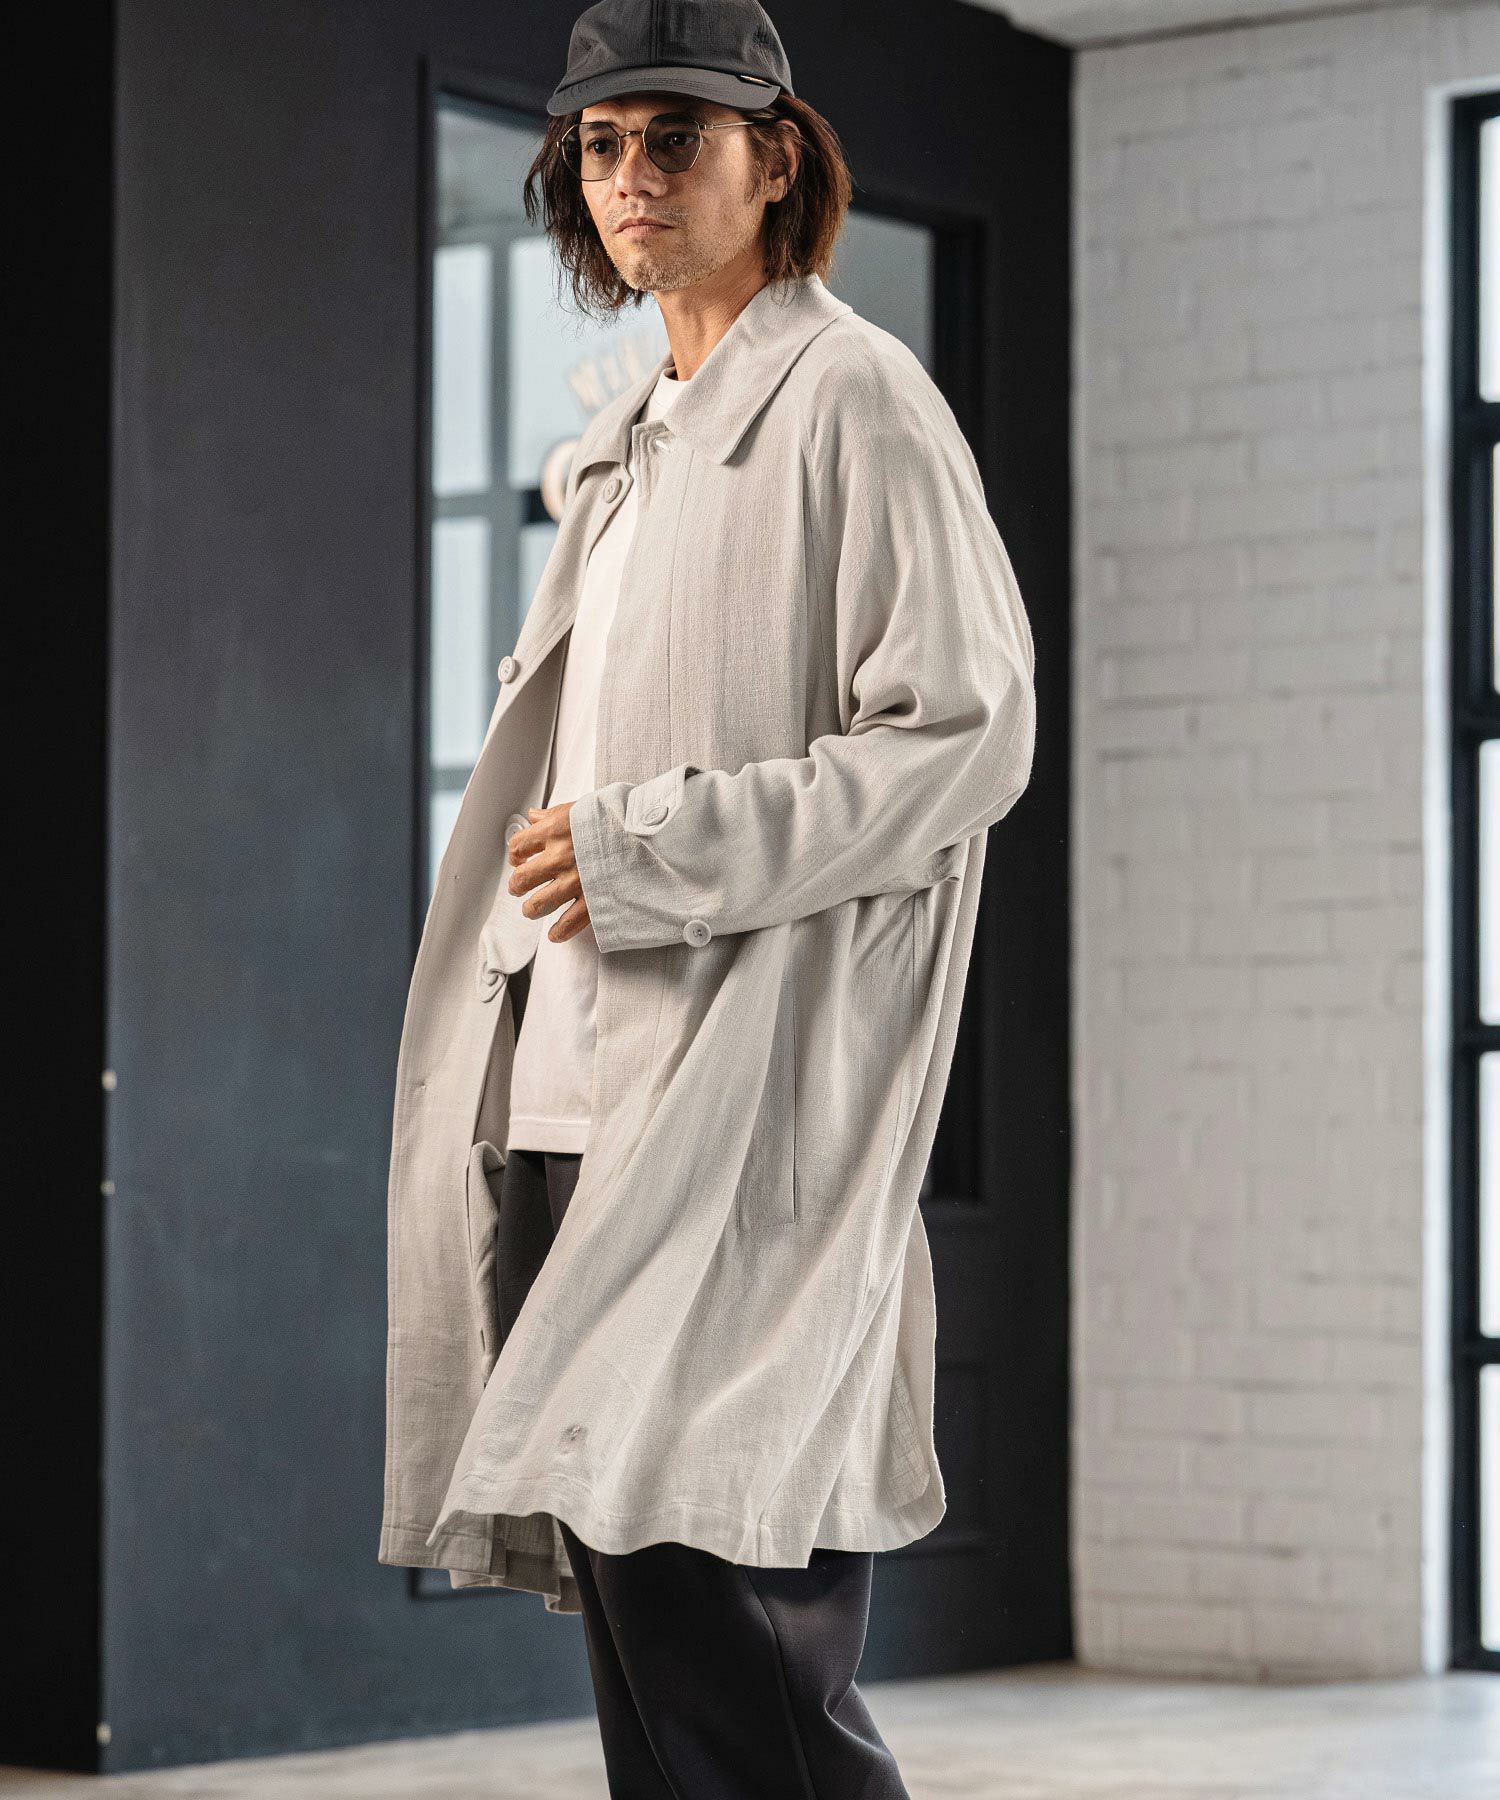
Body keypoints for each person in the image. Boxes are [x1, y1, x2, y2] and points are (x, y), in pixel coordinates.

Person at [378, 1, 1037, 1794]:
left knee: (742, 1662)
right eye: (601, 145)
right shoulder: (623, 448)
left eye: (676, 137)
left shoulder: (854, 398)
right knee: (656, 1676)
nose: (632, 177)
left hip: (739, 1116)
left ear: (777, 160)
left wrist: (645, 849)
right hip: (567, 1108)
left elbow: (963, 736)